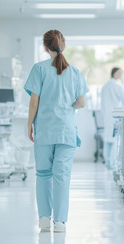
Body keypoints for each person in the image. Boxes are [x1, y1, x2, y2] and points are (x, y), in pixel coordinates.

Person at [24, 30, 89, 233]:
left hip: (44, 130)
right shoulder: (75, 72)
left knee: (43, 174)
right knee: (61, 175)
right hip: (66, 131)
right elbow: (81, 102)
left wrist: (29, 125)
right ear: (64, 45)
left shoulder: (39, 69)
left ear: (45, 47)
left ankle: (44, 219)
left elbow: (34, 101)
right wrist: (67, 108)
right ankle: (60, 222)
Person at [100, 67, 124, 169]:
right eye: (119, 73)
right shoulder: (117, 87)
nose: (121, 76)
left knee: (108, 138)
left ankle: (107, 161)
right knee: (114, 139)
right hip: (114, 116)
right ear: (115, 74)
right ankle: (112, 163)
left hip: (106, 116)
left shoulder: (105, 87)